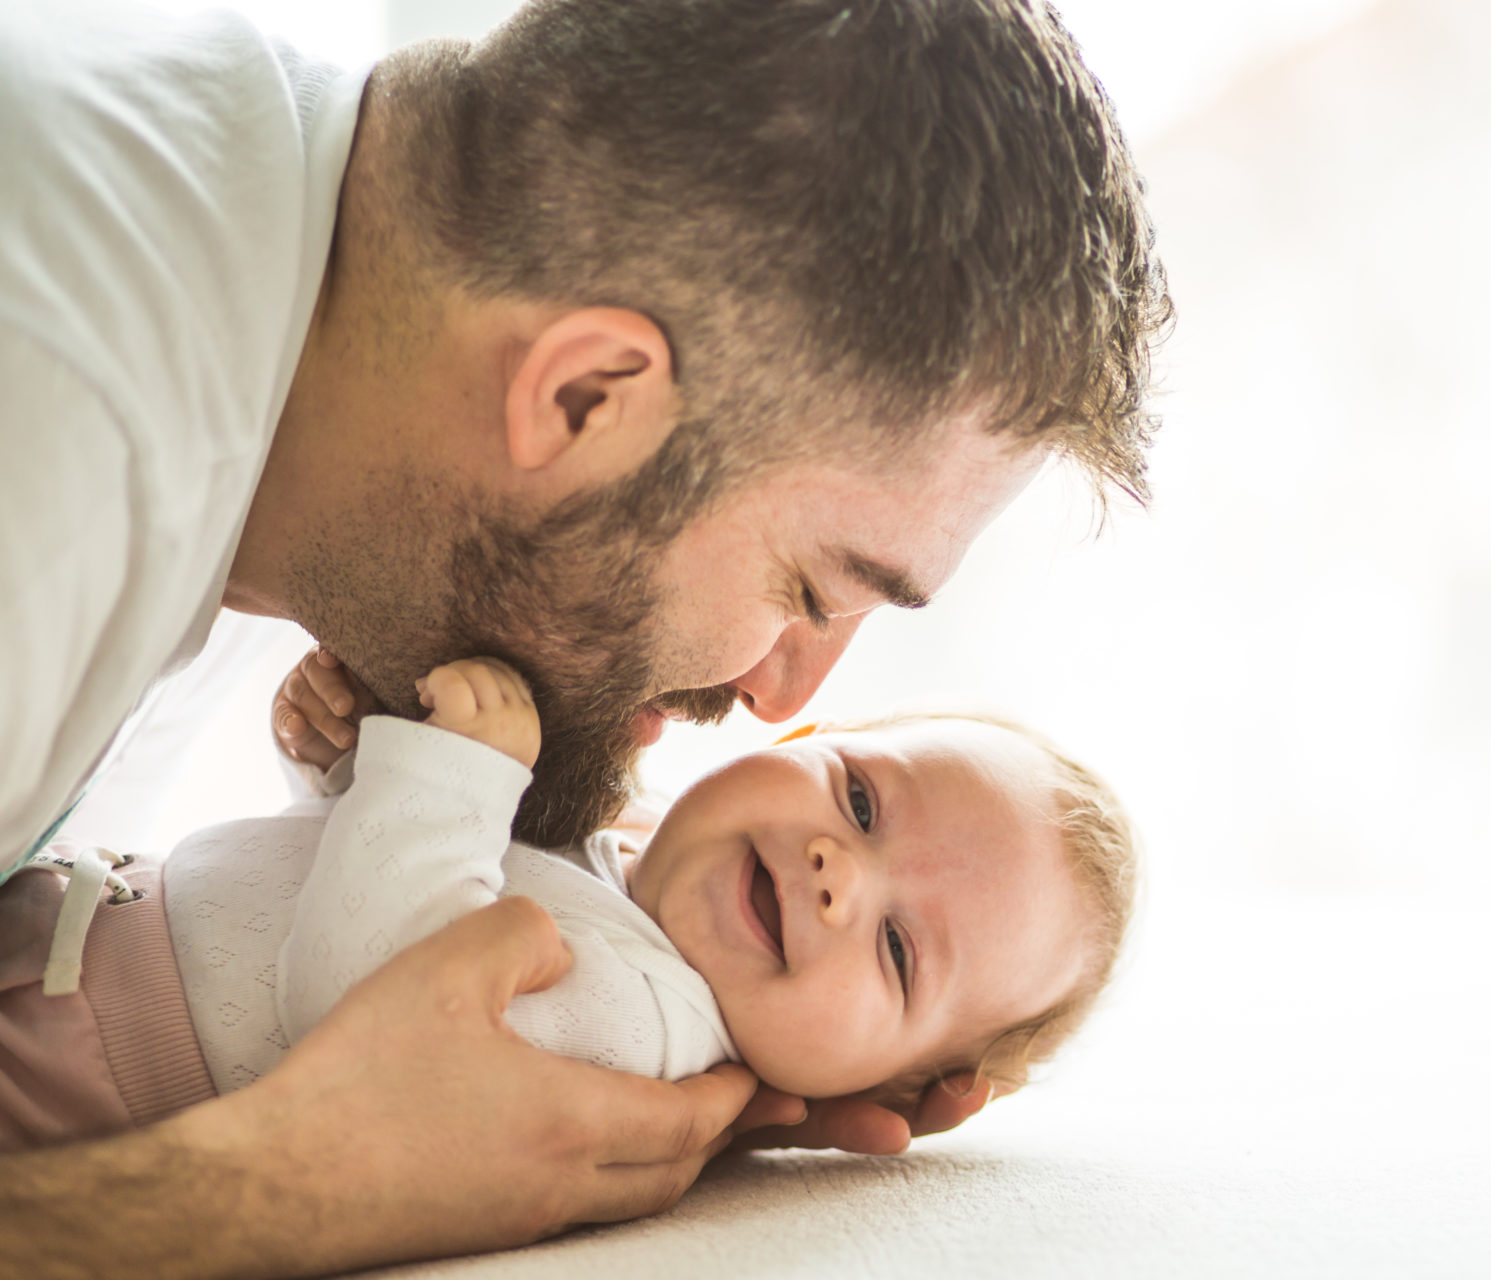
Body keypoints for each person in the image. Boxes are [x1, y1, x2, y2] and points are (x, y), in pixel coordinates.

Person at [0, 0, 1168, 1270]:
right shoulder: (51, 445)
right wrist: (299, 1177)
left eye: (899, 949)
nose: (782, 695)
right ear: (583, 399)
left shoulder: (296, 350)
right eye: (812, 588)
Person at [1, 657, 1136, 1150]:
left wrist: (443, 775)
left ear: (890, 1084)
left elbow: (364, 1008)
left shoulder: (646, 1021)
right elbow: (363, 866)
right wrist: (347, 758)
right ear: (798, 739)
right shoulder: (618, 851)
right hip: (68, 928)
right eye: (860, 799)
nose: (842, 870)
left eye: (896, 947)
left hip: (69, 1071)